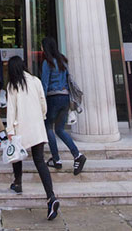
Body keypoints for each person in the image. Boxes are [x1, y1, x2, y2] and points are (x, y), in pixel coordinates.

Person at [5, 56, 60, 221]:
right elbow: (43, 102)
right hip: (36, 127)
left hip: (20, 126)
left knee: (17, 155)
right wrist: (41, 117)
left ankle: (18, 183)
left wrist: (9, 130)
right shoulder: (35, 81)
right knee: (40, 161)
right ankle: (51, 197)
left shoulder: (12, 85)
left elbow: (11, 109)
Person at [41, 37, 86, 175]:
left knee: (48, 127)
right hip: (65, 98)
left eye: (42, 46)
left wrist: (41, 101)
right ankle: (77, 155)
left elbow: (44, 83)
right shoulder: (63, 61)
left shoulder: (47, 63)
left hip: (53, 98)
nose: (41, 49)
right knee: (60, 129)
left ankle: (56, 159)